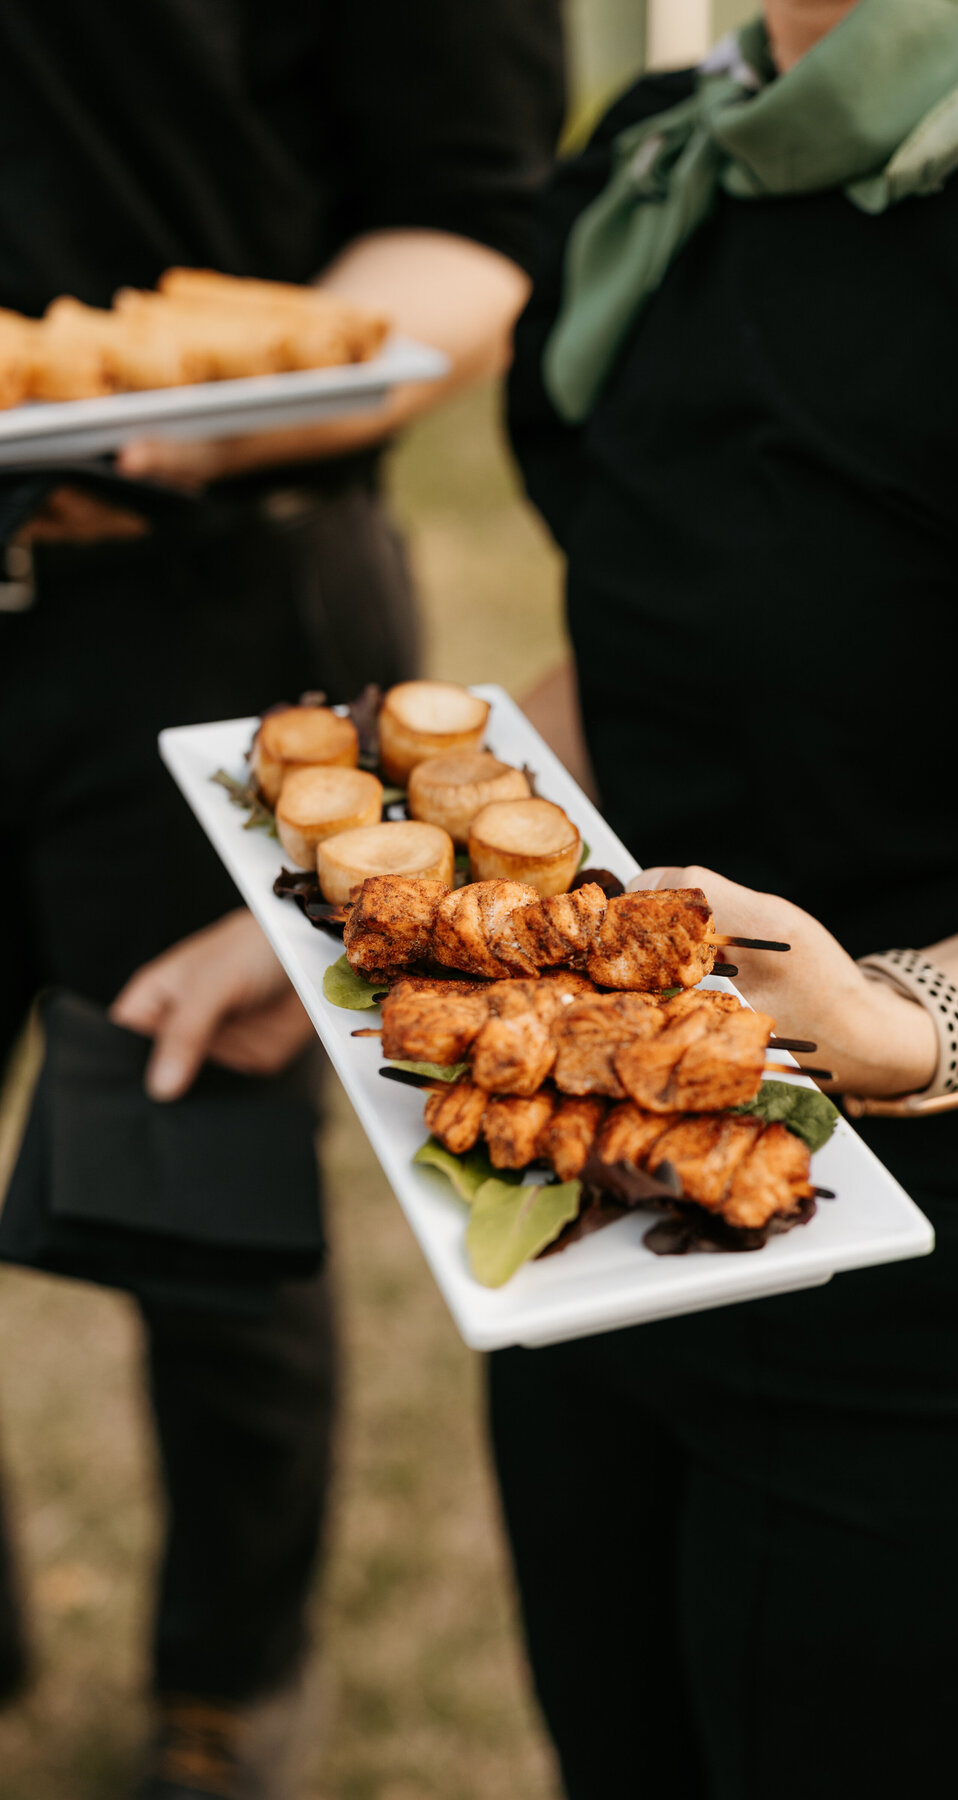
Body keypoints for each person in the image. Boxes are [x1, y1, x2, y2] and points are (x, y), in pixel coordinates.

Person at [489, 2, 958, 1795]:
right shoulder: (685, 149)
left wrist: (898, 1018)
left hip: (951, 1365)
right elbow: (662, 649)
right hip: (601, 1263)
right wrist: (369, 890)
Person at [0, 6, 563, 1798]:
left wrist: (204, 422)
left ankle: (229, 1686)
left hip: (221, 613)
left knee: (202, 1192)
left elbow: (472, 230)